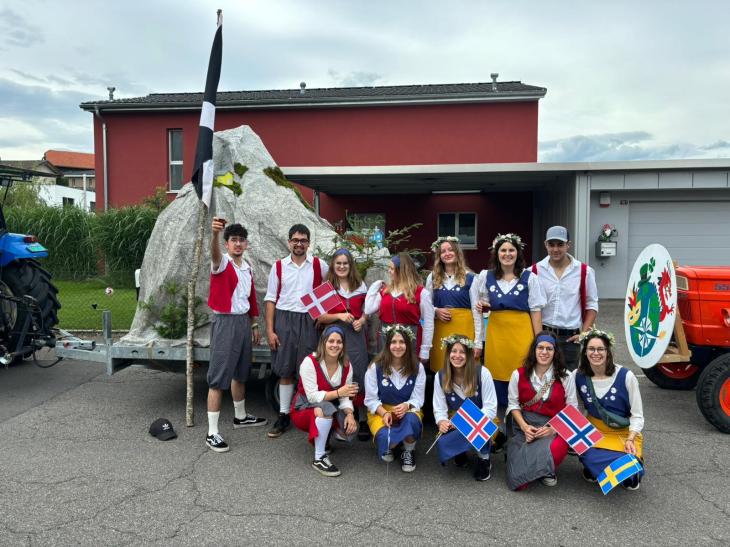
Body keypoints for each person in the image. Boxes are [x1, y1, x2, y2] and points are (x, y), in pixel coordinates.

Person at [205, 218, 266, 453]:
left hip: (242, 322)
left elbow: (250, 298)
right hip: (225, 322)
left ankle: (240, 417)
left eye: (241, 240)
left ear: (246, 244)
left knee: (241, 373)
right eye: (233, 240)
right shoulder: (222, 263)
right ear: (227, 244)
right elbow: (214, 255)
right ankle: (212, 433)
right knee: (218, 377)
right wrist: (214, 234)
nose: (238, 244)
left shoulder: (246, 267)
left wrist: (253, 324)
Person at [265, 224, 329, 438]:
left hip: (310, 321)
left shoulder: (319, 265)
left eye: (303, 240)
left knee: (309, 368)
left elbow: (330, 290)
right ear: (289, 242)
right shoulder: (279, 266)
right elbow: (270, 299)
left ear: (308, 243)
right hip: (285, 319)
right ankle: (283, 415)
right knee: (285, 369)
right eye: (295, 240)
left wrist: (323, 315)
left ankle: (309, 413)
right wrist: (270, 330)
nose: (299, 244)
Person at [472, 233, 546, 409]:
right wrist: (483, 305)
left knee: (522, 373)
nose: (507, 254)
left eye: (511, 250)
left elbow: (536, 312)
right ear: (496, 253)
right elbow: (481, 304)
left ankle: (521, 415)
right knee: (496, 374)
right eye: (503, 250)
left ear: (518, 253)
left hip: (521, 334)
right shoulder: (486, 276)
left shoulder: (529, 278)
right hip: (497, 335)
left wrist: (540, 342)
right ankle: (498, 416)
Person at [574, 328, 645, 490]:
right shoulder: (577, 375)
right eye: (591, 349)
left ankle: (628, 468)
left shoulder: (627, 376)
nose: (596, 353)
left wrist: (631, 439)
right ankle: (605, 468)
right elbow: (576, 407)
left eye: (600, 349)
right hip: (594, 432)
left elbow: (637, 415)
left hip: (623, 433)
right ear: (585, 352)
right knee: (587, 455)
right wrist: (576, 436)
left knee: (630, 475)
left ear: (608, 352)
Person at [505, 332, 577, 489]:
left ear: (555, 352)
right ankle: (541, 467)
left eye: (549, 349)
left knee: (557, 448)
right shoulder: (518, 374)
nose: (544, 352)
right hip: (525, 426)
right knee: (518, 483)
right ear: (534, 350)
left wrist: (554, 429)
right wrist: (525, 427)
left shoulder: (565, 376)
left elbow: (572, 408)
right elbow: (513, 404)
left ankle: (546, 470)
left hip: (553, 426)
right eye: (540, 348)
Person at [290, 326, 358, 477]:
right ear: (323, 342)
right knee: (325, 409)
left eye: (339, 342)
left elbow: (345, 397)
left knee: (349, 429)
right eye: (331, 341)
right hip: (303, 407)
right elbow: (312, 397)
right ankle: (319, 458)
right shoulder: (310, 362)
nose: (335, 345)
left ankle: (325, 438)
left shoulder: (346, 366)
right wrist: (339, 392)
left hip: (330, 406)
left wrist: (350, 414)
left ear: (343, 345)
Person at [317, 248, 370, 440]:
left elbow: (366, 311)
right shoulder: (327, 287)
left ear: (350, 265)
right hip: (334, 336)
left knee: (358, 374)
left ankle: (362, 419)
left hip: (355, 336)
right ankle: (338, 420)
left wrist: (361, 321)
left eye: (345, 263)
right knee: (336, 375)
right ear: (333, 265)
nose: (341, 266)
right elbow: (320, 317)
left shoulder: (360, 285)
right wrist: (339, 315)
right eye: (338, 263)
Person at [532, 226, 599, 371]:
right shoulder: (534, 271)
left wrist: (583, 334)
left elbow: (592, 305)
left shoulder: (584, 272)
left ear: (568, 245)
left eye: (560, 244)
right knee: (542, 377)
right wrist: (537, 336)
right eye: (551, 244)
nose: (555, 249)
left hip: (570, 339)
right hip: (543, 334)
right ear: (545, 245)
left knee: (568, 379)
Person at [433, 334, 497, 481]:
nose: (457, 356)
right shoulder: (440, 376)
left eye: (462, 352)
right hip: (454, 419)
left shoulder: (482, 373)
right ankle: (460, 451)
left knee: (480, 428)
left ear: (469, 354)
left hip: (482, 419)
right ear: (448, 354)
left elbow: (491, 408)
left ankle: (484, 458)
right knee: (443, 440)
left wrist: (464, 421)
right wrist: (442, 421)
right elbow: (439, 407)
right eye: (453, 351)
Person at [364, 324, 426, 473]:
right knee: (386, 440)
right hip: (382, 411)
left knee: (411, 420)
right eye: (393, 342)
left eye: (402, 342)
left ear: (408, 345)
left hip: (407, 410)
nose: (398, 346)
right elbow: (370, 400)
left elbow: (418, 398)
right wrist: (384, 413)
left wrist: (407, 405)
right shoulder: (375, 367)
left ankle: (408, 449)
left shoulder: (417, 367)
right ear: (387, 345)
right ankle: (392, 444)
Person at [364, 252, 434, 366]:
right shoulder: (385, 291)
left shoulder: (421, 293)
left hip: (409, 342)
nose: (389, 271)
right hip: (385, 341)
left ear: (402, 270)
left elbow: (428, 323)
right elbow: (368, 309)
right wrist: (375, 286)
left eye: (392, 269)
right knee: (386, 372)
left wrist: (425, 350)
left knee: (408, 372)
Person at [426, 237, 482, 372]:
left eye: (451, 250)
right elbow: (426, 306)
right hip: (441, 331)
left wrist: (478, 342)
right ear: (439, 256)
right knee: (442, 369)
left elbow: (477, 311)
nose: (447, 253)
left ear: (457, 252)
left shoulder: (471, 278)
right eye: (443, 251)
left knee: (465, 369)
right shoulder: (432, 277)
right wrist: (436, 311)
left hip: (465, 329)